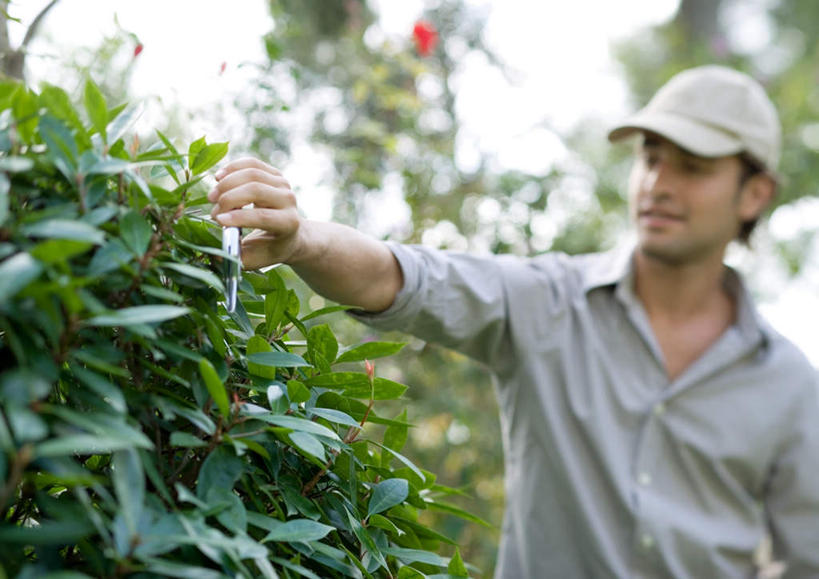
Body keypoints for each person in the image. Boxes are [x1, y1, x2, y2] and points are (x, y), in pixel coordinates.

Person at [207, 65, 819, 578]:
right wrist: (303, 239)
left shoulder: (789, 385)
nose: (657, 182)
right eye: (651, 158)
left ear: (754, 194)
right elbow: (401, 276)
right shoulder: (548, 303)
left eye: (692, 166)